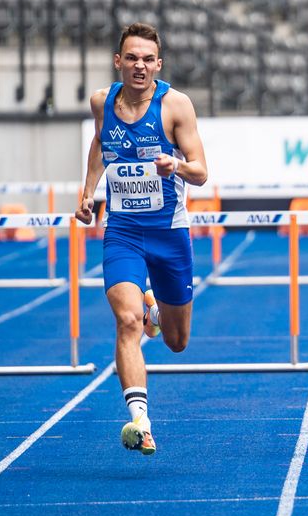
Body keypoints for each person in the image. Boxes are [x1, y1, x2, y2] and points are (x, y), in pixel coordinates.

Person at [72, 25, 208, 455]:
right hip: (123, 232)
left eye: (148, 59)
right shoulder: (102, 102)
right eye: (132, 58)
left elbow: (202, 171)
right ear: (119, 61)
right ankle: (140, 421)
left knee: (176, 341)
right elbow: (99, 143)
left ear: (159, 65)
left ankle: (156, 308)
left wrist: (176, 165)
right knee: (126, 321)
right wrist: (88, 191)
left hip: (170, 234)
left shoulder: (175, 105)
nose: (140, 66)